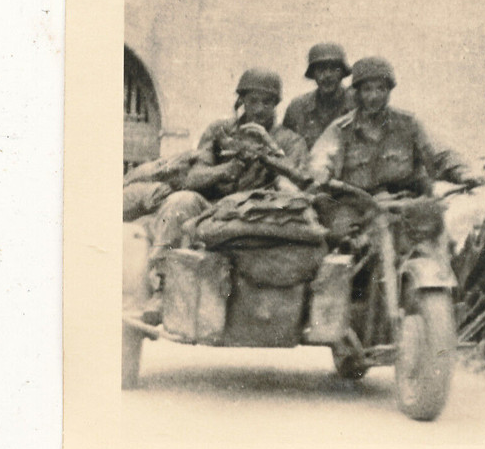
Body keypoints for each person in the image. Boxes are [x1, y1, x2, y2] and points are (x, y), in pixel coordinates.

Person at [141, 68, 309, 323]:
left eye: (267, 102)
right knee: (180, 201)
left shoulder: (289, 140)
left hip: (259, 214)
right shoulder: (220, 131)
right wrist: (228, 168)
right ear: (241, 101)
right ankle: (161, 288)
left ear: (276, 105)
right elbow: (193, 177)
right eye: (253, 101)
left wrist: (269, 157)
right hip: (214, 207)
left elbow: (298, 185)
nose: (259, 109)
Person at [310, 57, 435, 196]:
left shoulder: (409, 123)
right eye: (367, 89)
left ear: (389, 91)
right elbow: (320, 160)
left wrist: (463, 174)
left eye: (381, 89)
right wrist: (320, 177)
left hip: (404, 199)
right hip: (358, 205)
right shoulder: (340, 129)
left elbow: (440, 155)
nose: (374, 96)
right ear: (357, 93)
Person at [282, 42, 352, 149]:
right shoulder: (297, 108)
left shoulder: (357, 104)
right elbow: (286, 147)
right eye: (321, 69)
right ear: (313, 74)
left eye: (334, 69)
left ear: (343, 73)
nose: (328, 75)